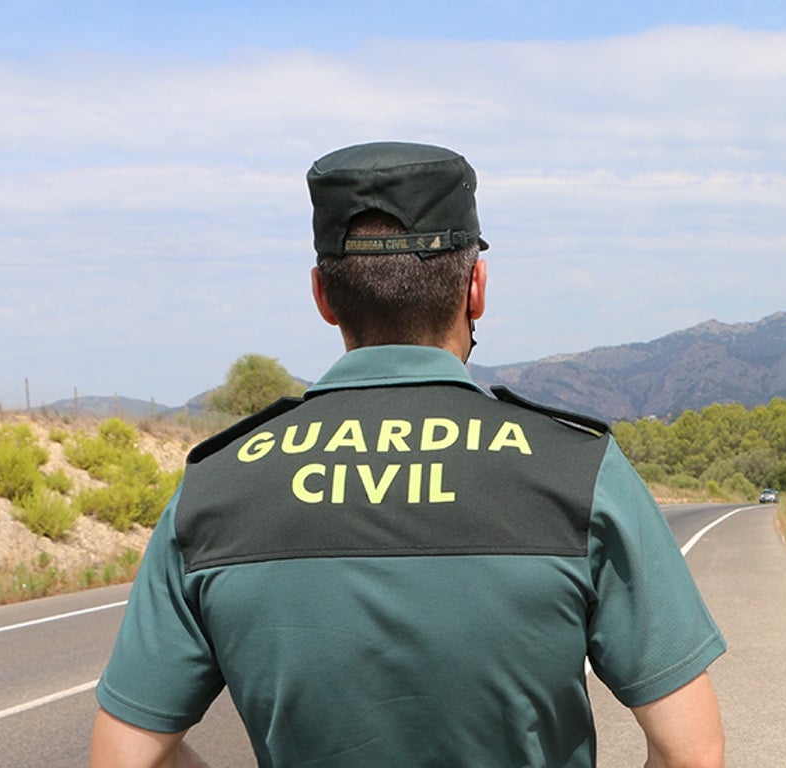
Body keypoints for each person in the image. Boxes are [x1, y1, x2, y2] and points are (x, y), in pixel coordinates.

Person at [90, 141, 727, 768]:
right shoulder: (577, 469)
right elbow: (691, 753)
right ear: (476, 289)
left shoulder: (217, 486)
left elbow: (126, 759)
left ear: (322, 295)